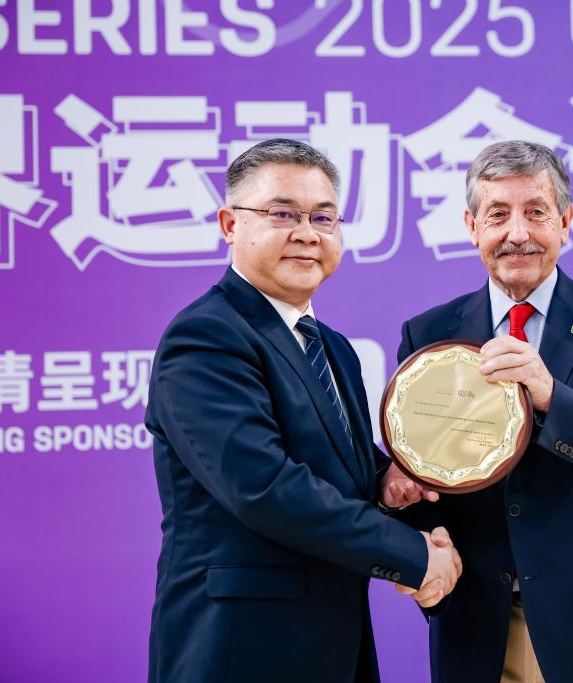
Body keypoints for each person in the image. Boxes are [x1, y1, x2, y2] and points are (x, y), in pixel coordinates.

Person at [145, 138, 461, 682]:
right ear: (230, 224)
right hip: (240, 648)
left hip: (333, 643)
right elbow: (264, 486)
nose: (308, 233)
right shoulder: (206, 336)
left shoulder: (331, 346)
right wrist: (412, 556)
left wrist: (385, 482)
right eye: (282, 214)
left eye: (323, 217)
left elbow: (334, 467)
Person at [381, 140, 573, 682]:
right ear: (472, 227)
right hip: (479, 628)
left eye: (536, 212)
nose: (517, 233)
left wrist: (551, 396)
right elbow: (430, 475)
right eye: (497, 215)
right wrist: (411, 514)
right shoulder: (429, 335)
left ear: (565, 223)